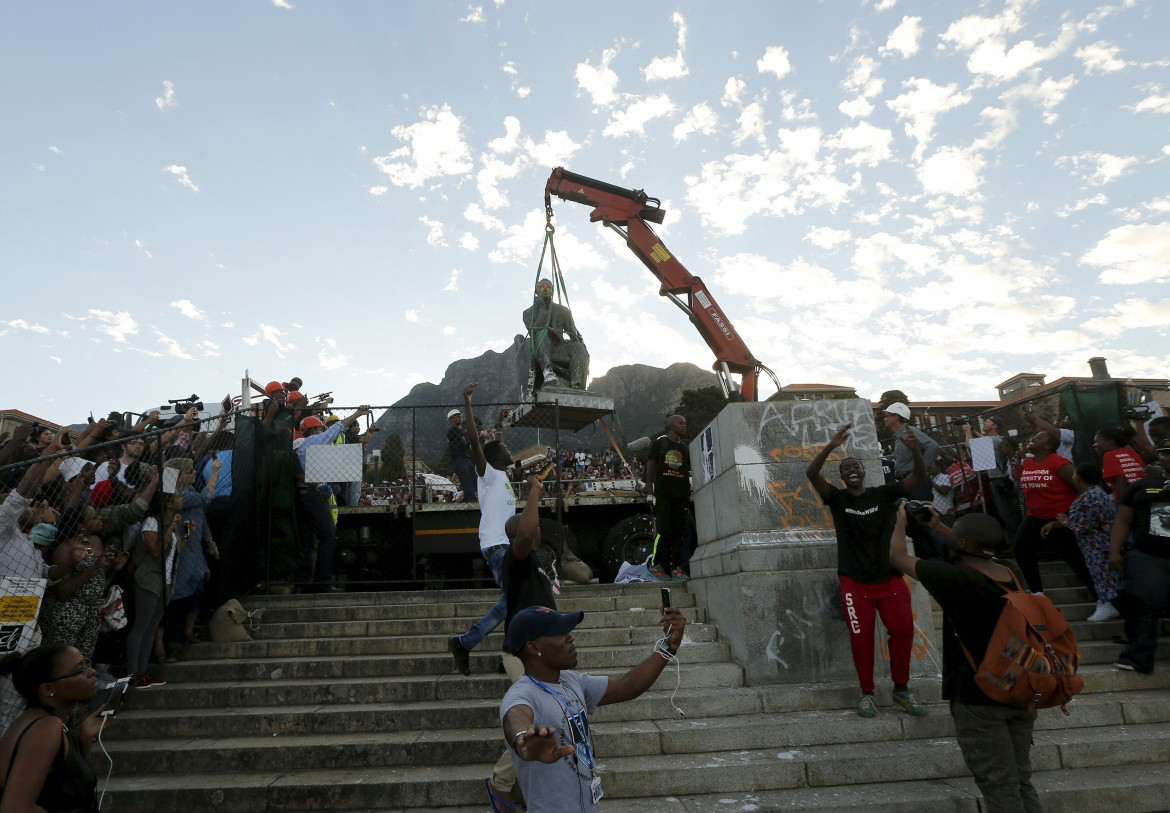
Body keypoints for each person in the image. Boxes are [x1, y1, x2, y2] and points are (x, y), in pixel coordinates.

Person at [888, 506, 1044, 813]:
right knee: (1021, 778)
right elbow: (976, 548)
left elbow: (897, 557)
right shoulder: (1012, 573)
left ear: (961, 544)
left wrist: (899, 521)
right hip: (1019, 690)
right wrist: (942, 528)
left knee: (999, 784)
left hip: (979, 698)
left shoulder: (954, 578)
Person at [499, 603, 685, 813]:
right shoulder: (522, 694)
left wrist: (668, 647)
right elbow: (514, 717)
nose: (570, 637)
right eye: (560, 633)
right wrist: (523, 741)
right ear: (534, 647)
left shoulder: (570, 681)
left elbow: (627, 686)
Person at [805, 422, 929, 718]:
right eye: (846, 467)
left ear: (863, 473)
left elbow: (919, 477)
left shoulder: (883, 495)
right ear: (843, 476)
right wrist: (831, 447)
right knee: (861, 638)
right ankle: (868, 693)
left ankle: (901, 689)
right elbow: (811, 474)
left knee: (903, 630)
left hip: (889, 580)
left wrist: (915, 451)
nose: (851, 469)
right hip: (854, 583)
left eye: (856, 466)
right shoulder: (837, 499)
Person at [484, 474, 558, 813]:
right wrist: (533, 495)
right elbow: (527, 531)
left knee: (550, 715)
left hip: (543, 653)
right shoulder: (515, 561)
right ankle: (500, 784)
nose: (538, 529)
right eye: (534, 526)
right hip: (522, 654)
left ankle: (520, 784)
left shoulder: (537, 564)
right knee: (539, 714)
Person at [449, 383, 518, 677]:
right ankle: (465, 642)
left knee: (517, 602)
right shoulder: (488, 474)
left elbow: (494, 444)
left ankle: (508, 658)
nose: (507, 448)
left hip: (507, 546)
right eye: (503, 448)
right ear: (495, 458)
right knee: (511, 602)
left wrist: (501, 422)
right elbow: (479, 445)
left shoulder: (501, 474)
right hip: (497, 546)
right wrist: (467, 403)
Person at [0, 645, 103, 812]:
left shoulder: (38, 720)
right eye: (79, 670)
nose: (91, 672)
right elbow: (15, 808)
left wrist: (85, 738)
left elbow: (73, 788)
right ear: (48, 689)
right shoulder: (46, 728)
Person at [292, 407, 371, 592]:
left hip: (301, 497)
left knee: (306, 540)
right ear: (314, 430)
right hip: (314, 496)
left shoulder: (297, 446)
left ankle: (303, 583)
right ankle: (323, 582)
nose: (323, 432)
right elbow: (337, 429)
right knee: (327, 537)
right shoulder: (313, 442)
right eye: (320, 429)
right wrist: (358, 414)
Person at [1109, 441, 1170, 675]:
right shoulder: (1142, 486)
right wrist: (1115, 550)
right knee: (1142, 604)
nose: (1168, 458)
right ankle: (1138, 657)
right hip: (1148, 556)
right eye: (1164, 453)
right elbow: (1123, 519)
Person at [1013, 431, 1095, 597]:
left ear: (1048, 445)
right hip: (1035, 515)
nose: (1032, 438)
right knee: (1020, 547)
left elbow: (1080, 484)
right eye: (1033, 437)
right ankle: (1037, 593)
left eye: (1038, 437)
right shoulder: (1028, 462)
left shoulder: (1058, 462)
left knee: (1073, 556)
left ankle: (1101, 598)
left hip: (1059, 515)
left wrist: (1074, 513)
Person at [1046, 463, 1120, 623]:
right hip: (1100, 544)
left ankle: (1108, 605)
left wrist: (1065, 520)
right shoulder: (1098, 494)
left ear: (1078, 478)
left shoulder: (1088, 498)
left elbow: (1079, 524)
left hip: (1097, 546)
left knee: (1102, 576)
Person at [642, 415, 692, 582]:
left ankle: (677, 569)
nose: (684, 425)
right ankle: (657, 566)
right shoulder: (661, 443)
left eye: (685, 423)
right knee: (664, 531)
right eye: (680, 423)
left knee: (682, 532)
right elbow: (651, 465)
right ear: (671, 426)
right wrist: (649, 486)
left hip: (681, 496)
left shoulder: (685, 448)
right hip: (664, 495)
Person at [522, 277, 590, 390]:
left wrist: (582, 349)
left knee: (579, 346)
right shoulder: (529, 313)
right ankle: (548, 373)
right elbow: (534, 331)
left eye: (548, 287)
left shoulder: (563, 311)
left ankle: (576, 385)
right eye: (542, 287)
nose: (545, 289)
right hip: (540, 347)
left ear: (552, 291)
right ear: (536, 291)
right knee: (541, 334)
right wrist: (542, 309)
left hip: (558, 347)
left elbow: (573, 333)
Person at [881, 402, 939, 500]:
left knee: (921, 513)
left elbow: (933, 446)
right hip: (908, 482)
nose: (884, 418)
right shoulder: (899, 435)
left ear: (896, 416)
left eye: (887, 415)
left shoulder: (909, 431)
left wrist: (923, 469)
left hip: (916, 483)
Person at [1093, 427, 1145, 502]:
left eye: (1096, 442)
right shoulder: (1133, 453)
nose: (1094, 445)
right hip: (1140, 495)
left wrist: (1120, 510)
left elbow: (1121, 483)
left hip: (1128, 500)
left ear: (1111, 442)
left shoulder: (1109, 455)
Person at [446, 407, 478, 502]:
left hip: (466, 459)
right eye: (457, 416)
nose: (460, 417)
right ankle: (470, 501)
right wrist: (480, 433)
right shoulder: (452, 430)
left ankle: (474, 499)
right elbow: (465, 433)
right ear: (451, 419)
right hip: (459, 460)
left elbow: (466, 443)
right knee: (467, 482)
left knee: (475, 480)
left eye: (460, 416)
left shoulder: (460, 434)